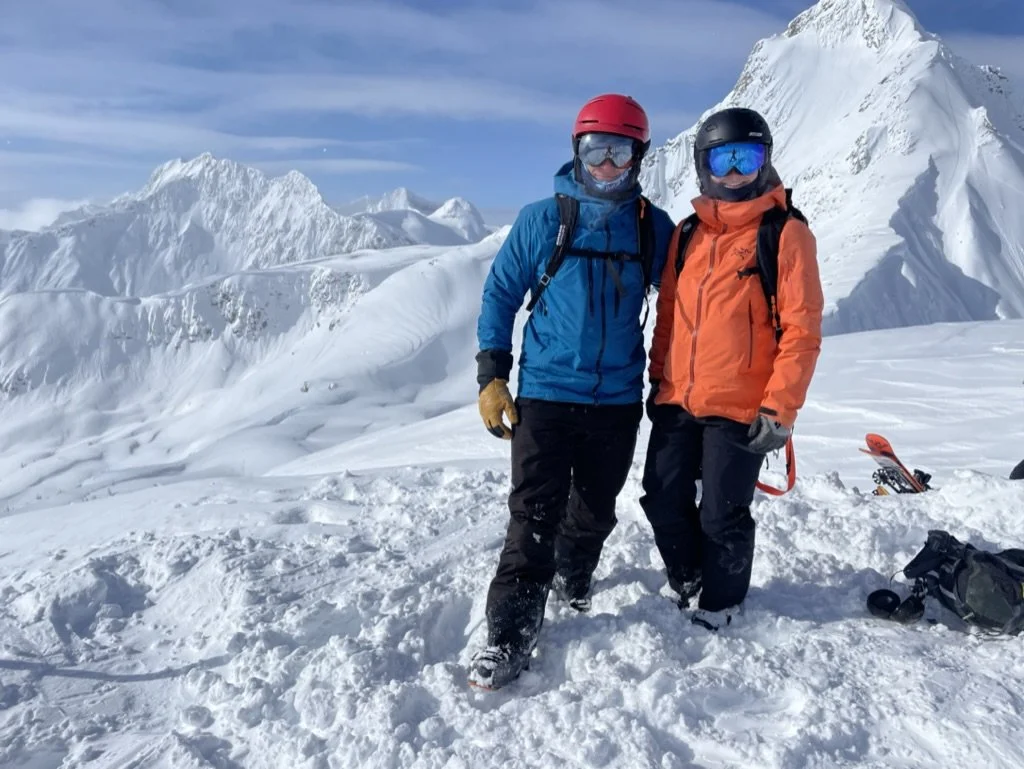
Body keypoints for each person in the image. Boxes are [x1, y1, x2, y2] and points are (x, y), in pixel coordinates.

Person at [469, 94, 676, 689]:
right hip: (546, 393)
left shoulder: (652, 228)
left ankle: (574, 573)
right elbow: (500, 292)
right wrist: (492, 375)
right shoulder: (543, 220)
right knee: (533, 513)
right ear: (576, 152)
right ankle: (508, 635)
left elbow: (691, 303)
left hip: (617, 400)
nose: (607, 165)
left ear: (640, 157)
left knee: (594, 506)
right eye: (595, 151)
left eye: (620, 152)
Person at [641, 107, 824, 632]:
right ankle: (688, 576)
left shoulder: (785, 233)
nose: (737, 172)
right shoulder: (687, 233)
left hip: (742, 406)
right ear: (704, 166)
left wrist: (780, 407)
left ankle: (721, 602)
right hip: (679, 397)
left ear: (766, 162)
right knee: (662, 496)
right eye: (725, 160)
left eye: (749, 158)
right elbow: (669, 314)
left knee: (722, 513)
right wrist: (659, 377)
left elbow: (802, 331)